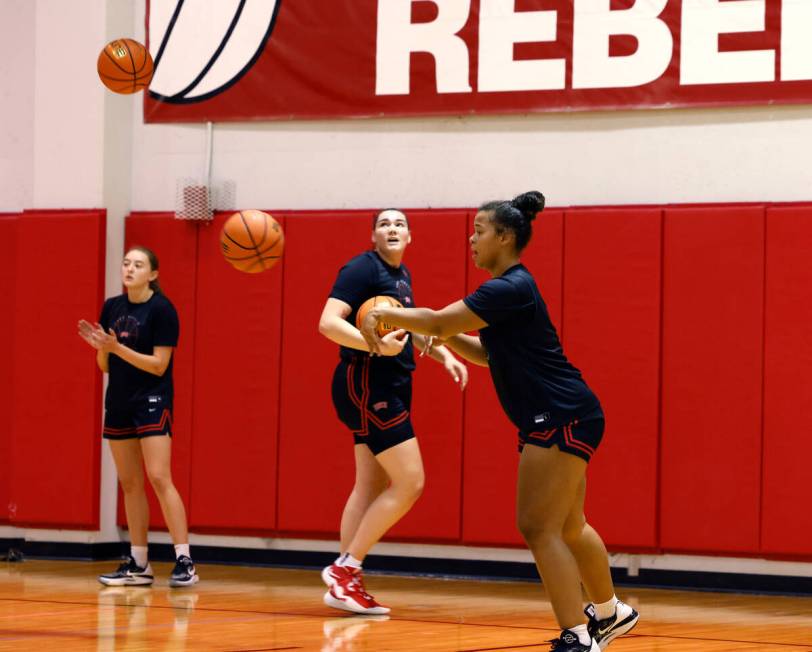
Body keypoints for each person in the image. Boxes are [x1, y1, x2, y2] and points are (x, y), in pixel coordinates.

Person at [359, 193, 638, 651]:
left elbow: (436, 319)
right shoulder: (508, 291)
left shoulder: (508, 287)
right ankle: (611, 614)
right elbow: (489, 355)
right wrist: (442, 341)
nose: (472, 239)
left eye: (480, 230)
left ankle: (578, 635)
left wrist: (384, 313)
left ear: (505, 237)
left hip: (560, 413)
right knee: (568, 525)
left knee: (537, 526)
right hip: (569, 412)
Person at [318, 208, 468, 615]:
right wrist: (372, 346)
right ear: (373, 237)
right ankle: (344, 569)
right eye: (384, 224)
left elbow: (407, 329)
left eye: (399, 223)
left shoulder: (401, 277)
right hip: (368, 384)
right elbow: (327, 323)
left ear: (410, 236)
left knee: (368, 485)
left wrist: (444, 355)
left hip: (386, 385)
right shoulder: (361, 269)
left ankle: (345, 584)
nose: (392, 228)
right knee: (411, 482)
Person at [78, 246, 198, 588]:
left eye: (138, 264)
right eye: (126, 263)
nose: (130, 268)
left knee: (159, 477)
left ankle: (184, 559)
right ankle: (139, 563)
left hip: (152, 398)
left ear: (154, 274)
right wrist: (102, 348)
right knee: (130, 483)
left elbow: (159, 364)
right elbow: (104, 366)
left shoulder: (162, 310)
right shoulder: (112, 307)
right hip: (118, 399)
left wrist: (115, 348)